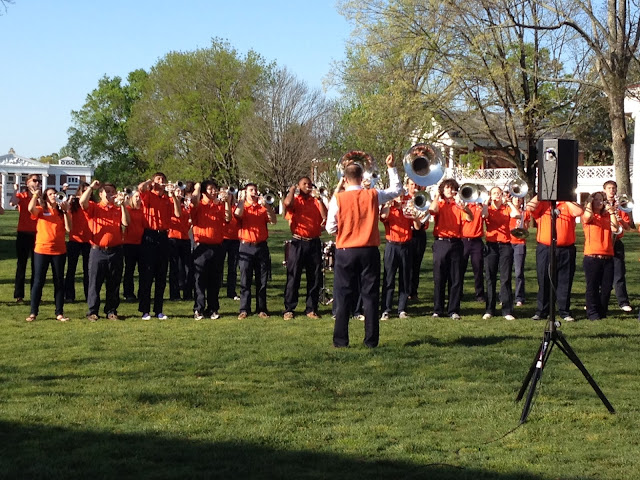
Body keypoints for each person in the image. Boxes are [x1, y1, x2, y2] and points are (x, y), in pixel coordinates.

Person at [326, 151, 401, 348]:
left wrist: (345, 230)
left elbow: (330, 228)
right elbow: (397, 189)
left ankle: (341, 341)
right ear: (362, 177)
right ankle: (371, 340)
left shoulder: (338, 199)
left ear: (345, 179)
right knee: (370, 296)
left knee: (343, 296)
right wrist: (391, 168)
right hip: (369, 250)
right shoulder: (373, 195)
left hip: (346, 250)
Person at [527, 194, 583, 322]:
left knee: (565, 280)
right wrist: (541, 193)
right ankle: (542, 311)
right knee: (544, 279)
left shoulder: (568, 204)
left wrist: (566, 198)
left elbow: (578, 212)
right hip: (545, 248)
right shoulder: (543, 204)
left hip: (566, 248)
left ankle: (564, 311)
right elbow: (530, 207)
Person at [80, 180, 130, 321]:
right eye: (107, 191)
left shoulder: (117, 209)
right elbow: (82, 202)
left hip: (115, 250)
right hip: (98, 250)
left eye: (112, 192)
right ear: (100, 194)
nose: (110, 194)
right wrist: (91, 187)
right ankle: (93, 311)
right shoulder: (94, 207)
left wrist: (123, 206)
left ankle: (111, 310)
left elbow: (126, 223)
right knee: (94, 282)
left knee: (114, 283)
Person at [282, 177, 327, 320]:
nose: (308, 186)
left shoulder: (315, 201)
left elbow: (325, 216)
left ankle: (311, 308)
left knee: (314, 277)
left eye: (309, 184)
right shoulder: (296, 201)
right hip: (298, 242)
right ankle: (289, 309)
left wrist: (320, 199)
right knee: (293, 276)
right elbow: (287, 203)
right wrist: (291, 190)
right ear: (299, 186)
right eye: (304, 184)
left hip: (314, 242)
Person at [137, 173, 181, 320]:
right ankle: (145, 310)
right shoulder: (149, 195)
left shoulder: (167, 199)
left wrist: (173, 195)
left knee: (161, 275)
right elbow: (140, 188)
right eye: (158, 179)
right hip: (149, 235)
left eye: (163, 179)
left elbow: (177, 213)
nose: (161, 182)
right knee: (147, 274)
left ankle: (158, 310)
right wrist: (150, 182)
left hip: (163, 236)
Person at [428, 178, 474, 319]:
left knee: (455, 278)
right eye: (446, 187)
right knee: (439, 277)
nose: (449, 190)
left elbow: (470, 218)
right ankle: (438, 309)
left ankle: (453, 310)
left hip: (456, 243)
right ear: (442, 190)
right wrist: (437, 196)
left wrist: (464, 207)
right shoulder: (439, 203)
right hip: (441, 242)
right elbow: (432, 210)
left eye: (451, 188)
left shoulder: (458, 205)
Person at [25, 187, 72, 322]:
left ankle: (59, 313)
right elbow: (30, 209)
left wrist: (65, 211)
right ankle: (33, 312)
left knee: (59, 281)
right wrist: (35, 196)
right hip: (42, 250)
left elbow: (69, 228)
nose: (53, 196)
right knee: (38, 281)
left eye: (55, 194)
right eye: (50, 194)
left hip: (59, 251)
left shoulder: (62, 211)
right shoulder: (41, 210)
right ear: (46, 197)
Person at [190, 180, 232, 320]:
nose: (214, 191)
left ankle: (213, 308)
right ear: (204, 192)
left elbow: (228, 218)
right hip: (201, 246)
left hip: (217, 246)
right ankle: (199, 309)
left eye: (215, 188)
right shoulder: (199, 204)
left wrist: (227, 202)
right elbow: (194, 201)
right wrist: (197, 187)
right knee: (199, 280)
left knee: (215, 280)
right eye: (210, 189)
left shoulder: (218, 205)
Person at [235, 183, 277, 319]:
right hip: (246, 246)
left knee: (262, 280)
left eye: (255, 190)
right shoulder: (242, 206)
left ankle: (262, 308)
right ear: (245, 192)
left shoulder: (262, 208)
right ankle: (244, 309)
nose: (254, 192)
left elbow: (274, 221)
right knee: (245, 279)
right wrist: (241, 200)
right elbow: (237, 214)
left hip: (261, 246)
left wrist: (267, 206)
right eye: (251, 190)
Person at [379, 193, 420, 320]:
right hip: (392, 245)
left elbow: (417, 227)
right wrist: (388, 203)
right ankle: (386, 309)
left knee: (405, 278)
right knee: (389, 278)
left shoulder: (407, 209)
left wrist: (415, 217)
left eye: (402, 196)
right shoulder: (389, 209)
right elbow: (383, 217)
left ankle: (402, 309)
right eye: (397, 196)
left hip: (406, 245)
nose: (400, 198)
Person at [481, 187, 520, 320]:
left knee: (505, 278)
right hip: (491, 245)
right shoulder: (488, 208)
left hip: (505, 245)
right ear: (490, 195)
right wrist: (487, 201)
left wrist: (508, 202)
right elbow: (483, 215)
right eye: (494, 193)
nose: (497, 195)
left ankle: (507, 310)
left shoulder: (506, 208)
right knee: (490, 277)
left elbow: (517, 215)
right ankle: (489, 309)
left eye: (499, 193)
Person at [582, 191, 619, 321]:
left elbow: (615, 229)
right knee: (592, 286)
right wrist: (589, 203)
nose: (599, 202)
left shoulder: (607, 216)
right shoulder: (590, 216)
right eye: (596, 200)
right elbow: (587, 217)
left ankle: (602, 311)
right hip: (592, 256)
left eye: (601, 200)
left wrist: (612, 212)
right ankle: (592, 312)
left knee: (607, 287)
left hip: (608, 256)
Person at [9, 174, 41, 302]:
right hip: (23, 233)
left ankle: (35, 295)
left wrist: (38, 196)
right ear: (28, 183)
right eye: (35, 180)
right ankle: (19, 295)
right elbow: (12, 202)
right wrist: (15, 190)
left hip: (38, 234)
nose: (37, 183)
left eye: (39, 181)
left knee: (36, 266)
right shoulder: (22, 195)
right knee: (21, 264)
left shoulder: (40, 196)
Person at [603, 180, 633, 312]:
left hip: (617, 242)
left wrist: (619, 219)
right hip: (604, 241)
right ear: (604, 190)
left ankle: (623, 302)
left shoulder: (620, 205)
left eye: (614, 188)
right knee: (601, 273)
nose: (612, 190)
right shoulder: (600, 205)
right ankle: (596, 300)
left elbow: (627, 227)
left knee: (619, 273)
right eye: (609, 188)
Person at [64, 182, 91, 303]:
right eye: (83, 191)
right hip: (74, 239)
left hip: (88, 240)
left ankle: (88, 295)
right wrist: (69, 202)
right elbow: (67, 217)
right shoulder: (73, 205)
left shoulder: (91, 204)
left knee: (88, 270)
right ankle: (69, 295)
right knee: (71, 269)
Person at [405, 179, 429, 301]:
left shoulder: (422, 199)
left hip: (419, 234)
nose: (413, 186)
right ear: (407, 185)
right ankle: (405, 292)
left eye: (415, 184)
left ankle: (413, 292)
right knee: (406, 265)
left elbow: (425, 217)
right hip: (406, 234)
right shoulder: (403, 199)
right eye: (411, 184)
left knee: (416, 265)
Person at [168, 186, 194, 301]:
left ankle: (188, 293)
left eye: (181, 191)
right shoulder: (169, 203)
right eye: (177, 190)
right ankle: (175, 294)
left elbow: (189, 221)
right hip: (172, 237)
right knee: (174, 267)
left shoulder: (185, 206)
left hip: (185, 237)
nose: (180, 192)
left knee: (188, 267)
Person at [122, 190, 146, 302]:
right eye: (136, 196)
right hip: (129, 243)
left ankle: (142, 293)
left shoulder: (144, 210)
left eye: (140, 197)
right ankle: (128, 293)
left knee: (143, 270)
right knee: (129, 269)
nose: (138, 199)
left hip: (142, 243)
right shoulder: (127, 209)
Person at [461, 198, 485, 303]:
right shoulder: (463, 206)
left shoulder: (480, 207)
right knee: (460, 268)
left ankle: (479, 294)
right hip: (463, 240)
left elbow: (485, 215)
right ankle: (458, 292)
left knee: (478, 268)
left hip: (477, 240)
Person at [220, 190, 241, 301]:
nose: (228, 196)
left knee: (232, 267)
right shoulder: (219, 206)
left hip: (235, 239)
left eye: (229, 194)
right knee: (218, 266)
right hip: (222, 238)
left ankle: (231, 291)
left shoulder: (236, 207)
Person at [510, 197, 530, 306]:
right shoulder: (508, 210)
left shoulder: (525, 213)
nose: (517, 200)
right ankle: (505, 296)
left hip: (519, 243)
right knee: (506, 272)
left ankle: (519, 297)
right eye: (515, 197)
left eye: (519, 198)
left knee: (518, 272)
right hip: (508, 242)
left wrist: (521, 228)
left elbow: (526, 229)